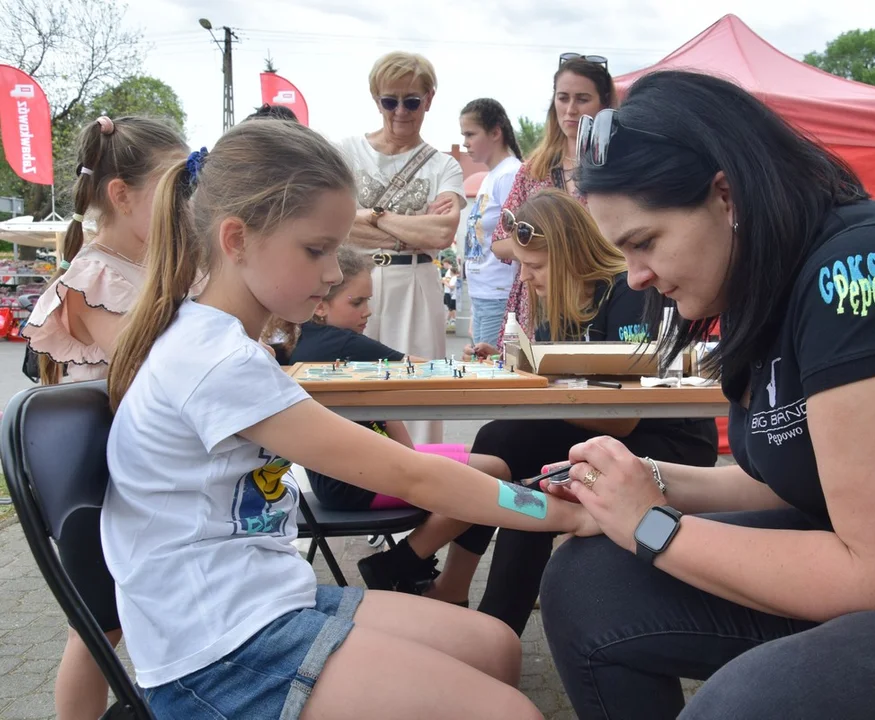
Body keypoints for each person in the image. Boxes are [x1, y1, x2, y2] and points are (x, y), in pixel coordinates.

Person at [538, 70, 875, 720]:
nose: (638, 276)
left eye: (644, 242)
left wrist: (652, 526)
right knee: (589, 582)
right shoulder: (763, 284)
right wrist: (641, 484)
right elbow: (803, 480)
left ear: (725, 195)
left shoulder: (867, 273)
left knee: (750, 704)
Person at [101, 119, 594, 720]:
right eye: (317, 250)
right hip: (216, 651)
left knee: (493, 646)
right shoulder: (217, 362)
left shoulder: (216, 341)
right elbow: (417, 478)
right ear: (236, 240)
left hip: (261, 601)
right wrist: (556, 513)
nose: (335, 273)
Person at [370, 189, 717, 620]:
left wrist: (523, 378)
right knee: (517, 454)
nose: (525, 279)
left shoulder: (629, 294)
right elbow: (562, 386)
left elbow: (623, 417)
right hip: (609, 433)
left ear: (571, 255)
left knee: (523, 459)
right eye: (520, 266)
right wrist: (508, 365)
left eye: (534, 266)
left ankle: (457, 592)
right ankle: (464, 599)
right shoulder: (563, 299)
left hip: (671, 440)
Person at [21, 115, 186, 720]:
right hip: (98, 481)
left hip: (140, 470)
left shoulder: (150, 268)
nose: (186, 203)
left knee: (130, 622)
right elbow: (155, 367)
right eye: (176, 188)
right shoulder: (94, 276)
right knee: (96, 633)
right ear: (122, 195)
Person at [267, 245, 511, 600]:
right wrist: (486, 363)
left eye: (369, 300)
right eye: (357, 302)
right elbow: (430, 372)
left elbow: (388, 402)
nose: (368, 311)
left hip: (348, 475)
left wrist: (413, 458)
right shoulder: (342, 343)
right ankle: (402, 562)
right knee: (496, 472)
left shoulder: (302, 339)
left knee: (488, 457)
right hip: (356, 482)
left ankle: (429, 575)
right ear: (321, 304)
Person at [339, 51, 465, 444]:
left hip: (416, 281)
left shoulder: (444, 166)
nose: (400, 111)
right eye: (389, 100)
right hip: (349, 282)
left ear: (428, 99)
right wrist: (411, 227)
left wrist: (371, 217)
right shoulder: (345, 152)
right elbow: (335, 223)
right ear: (376, 99)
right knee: (348, 382)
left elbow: (442, 234)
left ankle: (425, 474)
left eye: (411, 101)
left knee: (420, 384)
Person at [494, 54, 616, 352]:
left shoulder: (616, 167)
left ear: (603, 104)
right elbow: (499, 242)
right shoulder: (533, 168)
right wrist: (544, 245)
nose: (571, 109)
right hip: (539, 294)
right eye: (563, 98)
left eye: (582, 99)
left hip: (592, 298)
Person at [459, 98, 523, 346]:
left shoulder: (509, 174)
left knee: (490, 372)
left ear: (495, 132)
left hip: (499, 292)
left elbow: (516, 236)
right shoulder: (491, 176)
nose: (465, 143)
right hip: (483, 292)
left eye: (471, 134)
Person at [442, 258, 459, 330]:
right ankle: (447, 321)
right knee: (450, 308)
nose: (443, 266)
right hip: (449, 292)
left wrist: (444, 281)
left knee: (451, 308)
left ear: (446, 263)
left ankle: (453, 320)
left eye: (443, 264)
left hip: (449, 292)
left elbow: (449, 282)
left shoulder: (450, 271)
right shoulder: (450, 271)